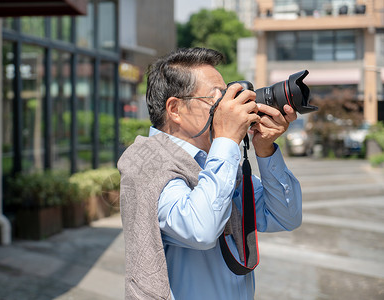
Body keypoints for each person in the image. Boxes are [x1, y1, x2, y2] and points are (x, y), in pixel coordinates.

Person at [117, 47, 302, 300]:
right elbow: (200, 230)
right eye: (216, 98)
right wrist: (226, 141)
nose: (226, 106)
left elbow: (286, 217)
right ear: (175, 109)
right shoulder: (147, 162)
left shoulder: (216, 161)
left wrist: (265, 149)